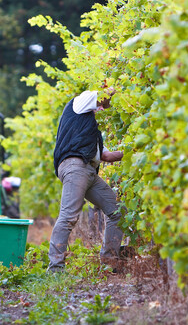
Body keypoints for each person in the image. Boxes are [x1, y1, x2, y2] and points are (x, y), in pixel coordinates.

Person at [48, 88, 124, 272]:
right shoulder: (80, 103)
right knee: (68, 216)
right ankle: (55, 269)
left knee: (118, 212)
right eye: (101, 106)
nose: (103, 109)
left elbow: (106, 156)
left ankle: (109, 263)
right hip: (75, 166)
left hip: (88, 171)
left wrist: (133, 151)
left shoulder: (93, 132)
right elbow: (104, 95)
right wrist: (120, 89)